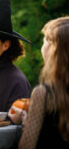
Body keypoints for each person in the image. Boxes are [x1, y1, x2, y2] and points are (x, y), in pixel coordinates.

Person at [16, 16, 69, 148]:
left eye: (45, 40)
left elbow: (26, 146)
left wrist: (27, 123)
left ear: (53, 49)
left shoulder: (43, 93)